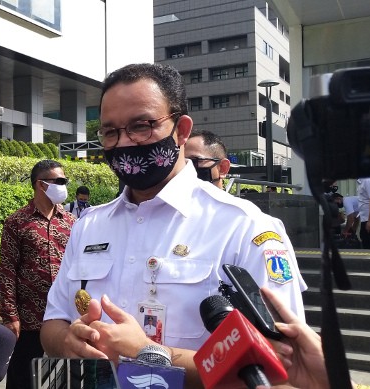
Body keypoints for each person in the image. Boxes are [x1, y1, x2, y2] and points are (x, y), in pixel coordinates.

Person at [40, 63, 307, 387]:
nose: (124, 142)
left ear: (181, 130)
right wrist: (69, 341)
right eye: (111, 132)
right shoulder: (89, 225)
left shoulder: (244, 228)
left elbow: (279, 364)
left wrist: (150, 354)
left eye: (142, 125)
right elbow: (52, 322)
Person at [0, 159, 76, 389]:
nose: (64, 185)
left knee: (57, 378)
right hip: (29, 317)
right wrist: (10, 315)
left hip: (62, 317)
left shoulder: (71, 222)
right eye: (59, 181)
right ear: (41, 185)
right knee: (23, 376)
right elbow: (7, 270)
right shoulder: (17, 222)